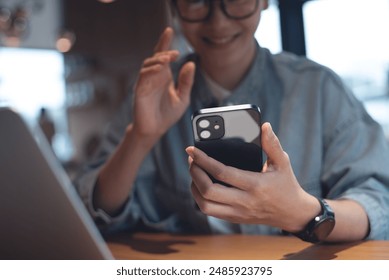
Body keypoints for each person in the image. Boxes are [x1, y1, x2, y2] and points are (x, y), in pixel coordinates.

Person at [75, 0, 389, 242]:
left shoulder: (318, 88)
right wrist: (140, 136)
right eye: (198, 0)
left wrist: (303, 213)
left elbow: (379, 203)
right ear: (174, 7)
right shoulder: (153, 91)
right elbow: (96, 211)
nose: (219, 20)